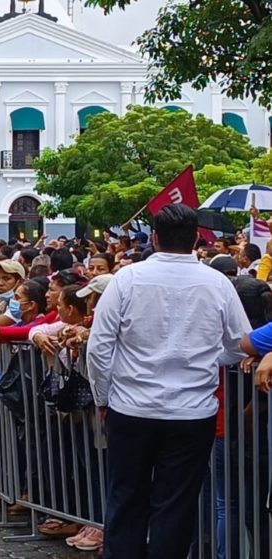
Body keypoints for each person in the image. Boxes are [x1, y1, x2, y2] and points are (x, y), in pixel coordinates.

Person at [86, 204, 251, 559]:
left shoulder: (127, 280)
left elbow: (99, 347)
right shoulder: (218, 283)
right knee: (176, 506)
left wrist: (102, 396)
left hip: (131, 407)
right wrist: (210, 361)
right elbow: (241, 343)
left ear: (156, 238)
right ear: (195, 238)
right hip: (191, 413)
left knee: (126, 500)